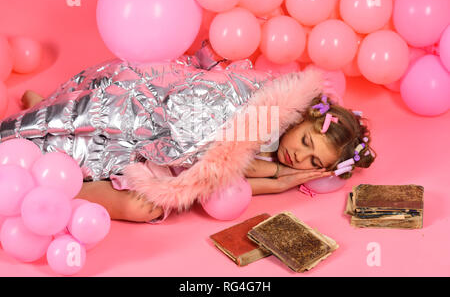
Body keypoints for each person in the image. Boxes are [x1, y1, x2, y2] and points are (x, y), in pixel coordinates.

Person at [20, 83, 376, 223]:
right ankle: (48, 110)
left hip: (164, 170)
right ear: (299, 119)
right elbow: (242, 168)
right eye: (306, 143)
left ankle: (75, 190)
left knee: (144, 207)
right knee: (95, 132)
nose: (300, 158)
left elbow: (239, 182)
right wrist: (279, 176)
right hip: (160, 139)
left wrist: (288, 180)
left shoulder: (277, 162)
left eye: (314, 163)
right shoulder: (264, 124)